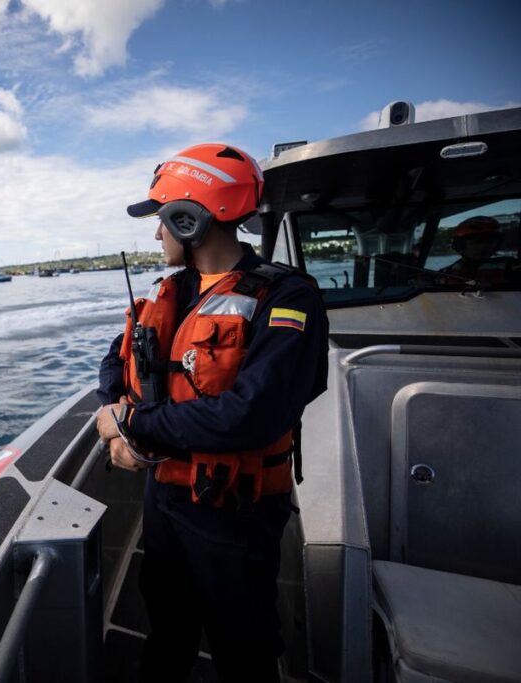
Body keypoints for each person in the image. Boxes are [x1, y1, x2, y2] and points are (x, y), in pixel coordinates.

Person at [95, 143, 329, 682]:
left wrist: (132, 425)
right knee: (167, 628)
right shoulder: (170, 291)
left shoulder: (287, 297)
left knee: (242, 646)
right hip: (164, 497)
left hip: (233, 512)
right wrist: (120, 424)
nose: (157, 234)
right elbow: (116, 360)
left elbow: (252, 415)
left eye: (162, 220)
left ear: (189, 217)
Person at [438, 215, 520, 285]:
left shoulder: (511, 267)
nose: (485, 246)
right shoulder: (445, 274)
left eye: (491, 241)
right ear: (460, 245)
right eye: (478, 242)